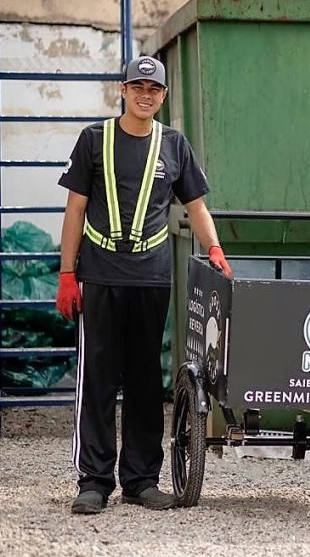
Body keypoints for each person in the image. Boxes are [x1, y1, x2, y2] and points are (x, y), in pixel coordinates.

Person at [55, 56, 232, 514]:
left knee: (144, 381)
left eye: (153, 89)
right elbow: (75, 210)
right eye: (138, 86)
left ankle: (141, 480)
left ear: (164, 96)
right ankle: (93, 482)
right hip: (99, 276)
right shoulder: (94, 139)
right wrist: (67, 274)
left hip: (151, 279)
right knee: (97, 380)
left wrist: (214, 249)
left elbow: (196, 207)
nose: (145, 95)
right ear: (123, 90)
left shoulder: (174, 145)